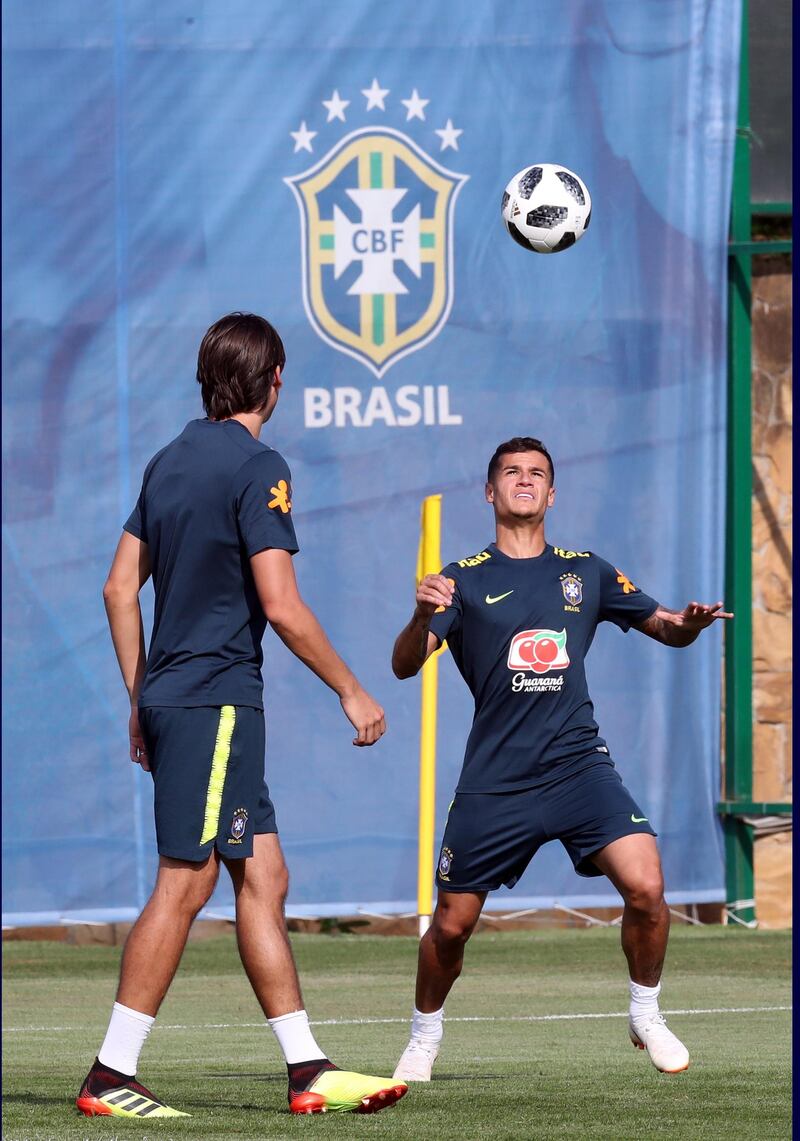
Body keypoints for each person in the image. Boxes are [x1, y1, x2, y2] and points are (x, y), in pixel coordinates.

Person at [77, 313, 407, 1119]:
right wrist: (350, 688)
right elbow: (283, 606)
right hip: (216, 701)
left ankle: (307, 1069)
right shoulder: (260, 464)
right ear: (273, 380)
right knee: (186, 882)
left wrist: (139, 696)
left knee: (264, 874)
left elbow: (121, 588)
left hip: (180, 699)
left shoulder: (168, 460)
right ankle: (110, 1073)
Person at [391, 436, 732, 1082]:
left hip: (579, 767)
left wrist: (690, 623)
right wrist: (418, 613)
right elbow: (405, 664)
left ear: (552, 493)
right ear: (489, 492)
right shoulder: (461, 579)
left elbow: (665, 625)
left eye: (537, 473)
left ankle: (645, 1011)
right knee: (452, 926)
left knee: (648, 887)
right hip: (496, 779)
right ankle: (423, 1034)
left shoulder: (589, 572)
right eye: (512, 472)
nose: (525, 480)